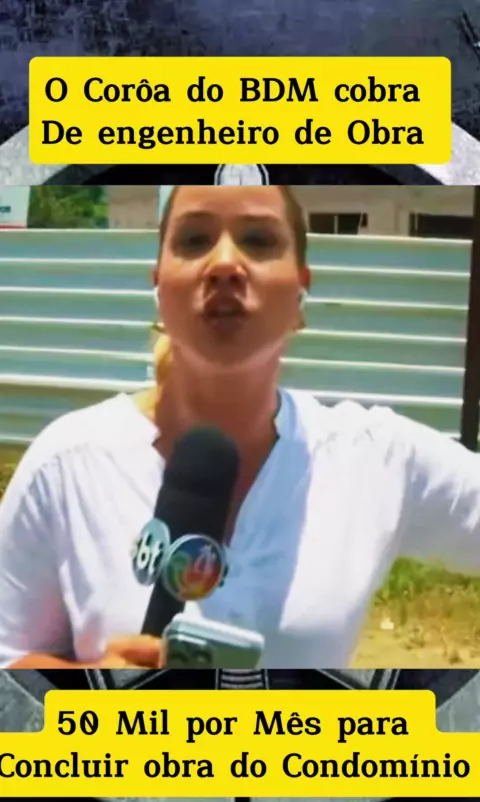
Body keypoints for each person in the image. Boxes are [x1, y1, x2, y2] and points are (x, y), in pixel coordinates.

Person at [0, 184, 479, 670]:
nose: (225, 264)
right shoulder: (67, 465)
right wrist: (90, 689)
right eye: (194, 240)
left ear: (301, 292)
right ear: (159, 288)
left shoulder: (376, 459)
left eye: (258, 240)